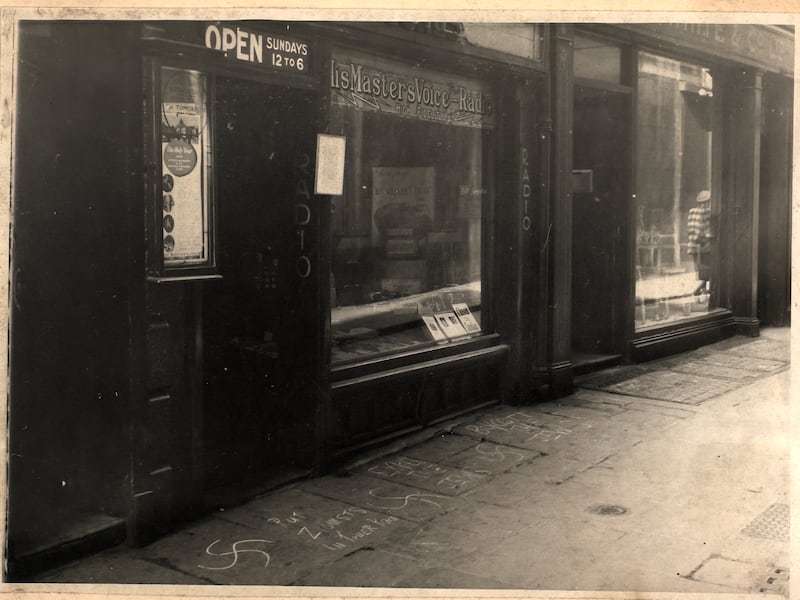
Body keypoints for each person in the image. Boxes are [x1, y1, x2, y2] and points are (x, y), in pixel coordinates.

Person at [687, 189, 712, 296]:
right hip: (704, 246)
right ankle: (699, 290)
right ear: (707, 202)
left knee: (701, 270)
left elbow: (692, 230)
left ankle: (703, 291)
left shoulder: (692, 212)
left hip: (693, 246)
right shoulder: (706, 213)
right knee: (708, 270)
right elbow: (706, 231)